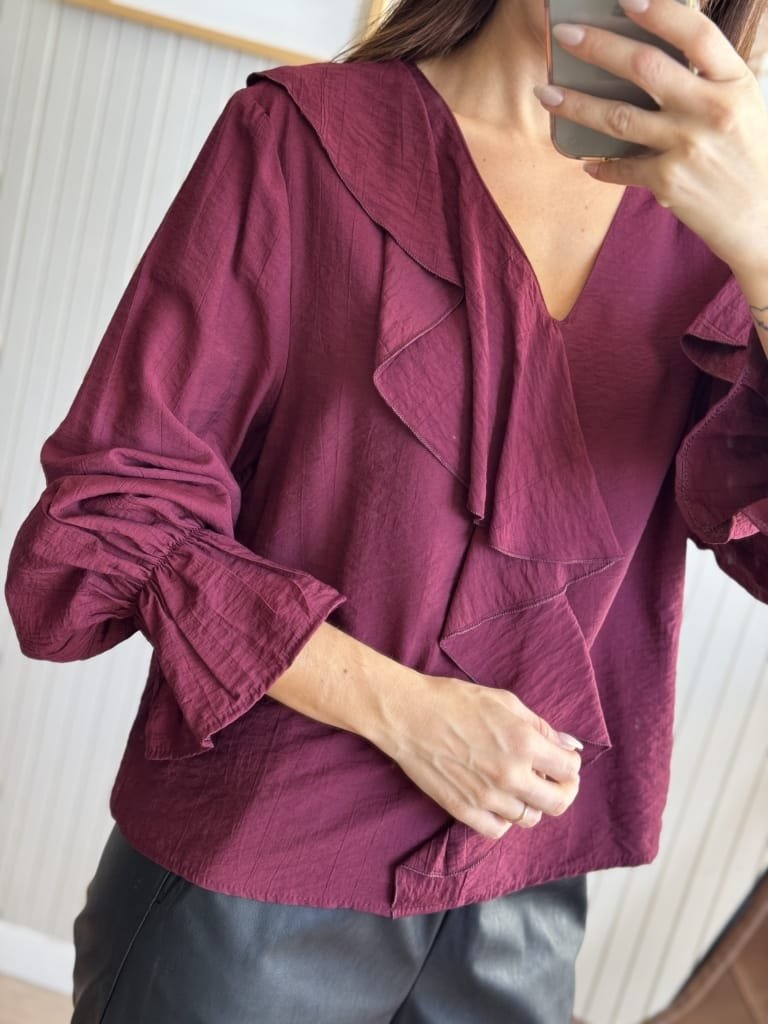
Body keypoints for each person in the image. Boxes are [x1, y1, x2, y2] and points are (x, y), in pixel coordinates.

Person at [5, 0, 768, 1020]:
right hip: (255, 877)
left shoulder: (719, 219)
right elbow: (114, 507)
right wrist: (401, 710)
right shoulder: (298, 138)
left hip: (523, 890)